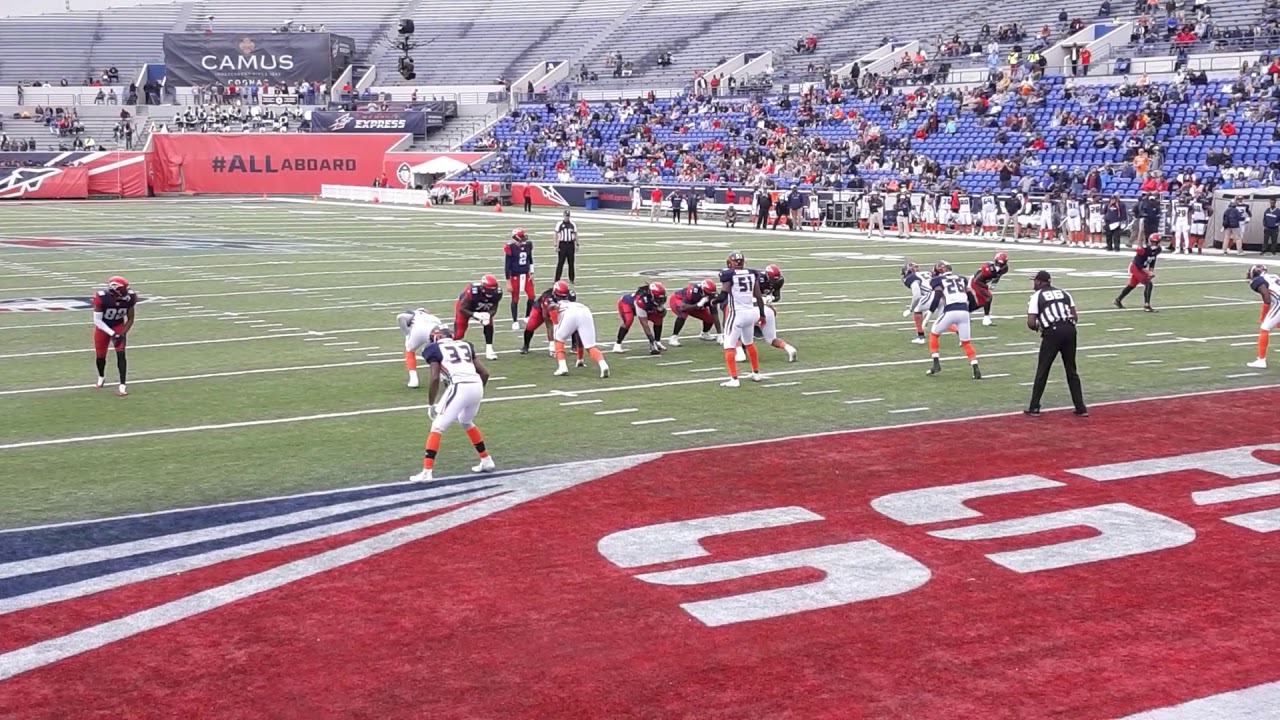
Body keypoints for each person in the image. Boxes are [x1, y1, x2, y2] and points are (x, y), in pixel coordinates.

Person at [409, 327, 495, 483]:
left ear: (437, 337)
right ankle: (486, 460)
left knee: (437, 427)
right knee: (466, 421)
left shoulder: (433, 348)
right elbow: (485, 373)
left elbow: (435, 377)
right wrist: (475, 391)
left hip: (460, 386)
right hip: (477, 385)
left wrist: (431, 404)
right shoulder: (466, 345)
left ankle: (426, 472)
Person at [1024, 271, 1088, 416]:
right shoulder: (1065, 293)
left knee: (1043, 369)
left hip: (1052, 332)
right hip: (1070, 330)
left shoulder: (1037, 296)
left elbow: (1031, 322)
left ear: (1040, 282)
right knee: (1071, 370)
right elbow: (1075, 317)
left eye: (1035, 281)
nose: (1034, 284)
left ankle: (1034, 406)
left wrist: (1039, 327)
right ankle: (1080, 407)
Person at [925, 261, 982, 379]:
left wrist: (929, 314)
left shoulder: (938, 281)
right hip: (964, 312)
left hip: (951, 310)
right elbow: (970, 297)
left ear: (940, 271)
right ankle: (976, 369)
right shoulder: (962, 279)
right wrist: (971, 309)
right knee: (966, 342)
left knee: (934, 334)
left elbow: (937, 297)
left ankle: (936, 364)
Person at [719, 251, 765, 387]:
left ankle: (734, 379)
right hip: (751, 313)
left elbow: (723, 296)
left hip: (737, 314)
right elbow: (759, 297)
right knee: (749, 343)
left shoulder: (729, 275)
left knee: (728, 345)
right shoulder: (752, 274)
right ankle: (756, 373)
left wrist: (713, 300)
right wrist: (762, 314)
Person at [550, 281, 610, 377]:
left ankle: (562, 367)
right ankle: (603, 365)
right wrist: (580, 358)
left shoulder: (556, 306)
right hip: (585, 310)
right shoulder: (575, 304)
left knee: (558, 339)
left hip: (569, 313)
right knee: (590, 346)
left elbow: (555, 324)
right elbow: (578, 335)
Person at [91, 275, 136, 396]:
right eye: (123, 289)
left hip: (118, 325)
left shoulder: (130, 297)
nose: (126, 291)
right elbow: (97, 321)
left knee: (121, 353)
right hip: (103, 327)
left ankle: (122, 385)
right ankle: (101, 376)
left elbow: (131, 318)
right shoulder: (102, 298)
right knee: (100, 355)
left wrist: (122, 334)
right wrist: (112, 334)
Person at [453, 274, 503, 359]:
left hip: (482, 308)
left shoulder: (497, 293)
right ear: (483, 287)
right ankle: (449, 348)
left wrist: (488, 315)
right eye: (488, 290)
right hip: (467, 308)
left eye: (492, 290)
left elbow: (494, 309)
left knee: (488, 323)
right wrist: (475, 315)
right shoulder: (473, 292)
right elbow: (462, 309)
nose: (491, 293)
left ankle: (489, 350)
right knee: (459, 334)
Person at [756, 263, 797, 361]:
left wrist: (771, 297)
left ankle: (740, 350)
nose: (774, 281)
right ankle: (789, 348)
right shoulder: (759, 279)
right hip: (755, 301)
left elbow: (778, 297)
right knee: (771, 338)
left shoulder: (779, 280)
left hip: (758, 305)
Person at [397, 306, 444, 388]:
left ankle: (413, 379)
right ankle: (443, 374)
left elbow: (400, 317)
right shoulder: (434, 317)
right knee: (439, 351)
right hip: (433, 330)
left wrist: (406, 332)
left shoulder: (414, 314)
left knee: (409, 350)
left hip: (417, 329)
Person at [614, 282, 667, 353]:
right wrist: (651, 340)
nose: (660, 300)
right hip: (626, 304)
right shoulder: (641, 300)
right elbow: (644, 324)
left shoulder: (655, 299)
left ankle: (658, 342)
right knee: (628, 321)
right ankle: (617, 344)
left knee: (658, 319)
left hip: (644, 307)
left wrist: (661, 312)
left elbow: (662, 314)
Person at [1115, 233, 1161, 312]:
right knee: (1149, 284)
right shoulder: (1143, 249)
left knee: (1131, 286)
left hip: (1140, 268)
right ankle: (1147, 305)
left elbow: (1153, 260)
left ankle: (1118, 300)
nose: (1153, 243)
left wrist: (1151, 270)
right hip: (1135, 267)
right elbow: (1138, 264)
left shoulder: (1158, 249)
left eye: (1155, 242)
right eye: (1152, 241)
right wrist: (1147, 272)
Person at [667, 279, 721, 346]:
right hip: (678, 299)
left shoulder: (712, 296)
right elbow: (683, 307)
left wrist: (719, 335)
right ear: (702, 290)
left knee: (710, 318)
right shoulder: (693, 291)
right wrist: (698, 305)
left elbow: (715, 315)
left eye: (710, 294)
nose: (709, 296)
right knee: (683, 313)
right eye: (707, 293)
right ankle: (673, 337)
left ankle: (704, 333)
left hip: (694, 304)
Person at [1247, 264, 1279, 368]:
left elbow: (1267, 299)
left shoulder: (1257, 281)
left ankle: (1261, 360)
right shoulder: (1274, 276)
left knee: (1264, 328)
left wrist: (1263, 316)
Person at [504, 228, 536, 329]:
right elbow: (507, 266)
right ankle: (515, 320)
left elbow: (530, 258)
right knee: (515, 299)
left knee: (532, 296)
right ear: (516, 237)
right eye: (521, 235)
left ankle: (527, 316)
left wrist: (531, 271)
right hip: (515, 276)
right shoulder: (511, 248)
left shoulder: (528, 245)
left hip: (526, 275)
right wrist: (508, 281)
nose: (524, 237)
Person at [554, 210, 578, 282]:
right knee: (560, 262)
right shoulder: (560, 224)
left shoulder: (572, 224)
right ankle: (557, 279)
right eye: (566, 216)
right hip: (562, 244)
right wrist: (555, 245)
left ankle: (571, 279)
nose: (567, 217)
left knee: (571, 263)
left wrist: (577, 244)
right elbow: (555, 234)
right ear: (563, 216)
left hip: (570, 244)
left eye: (568, 216)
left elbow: (576, 234)